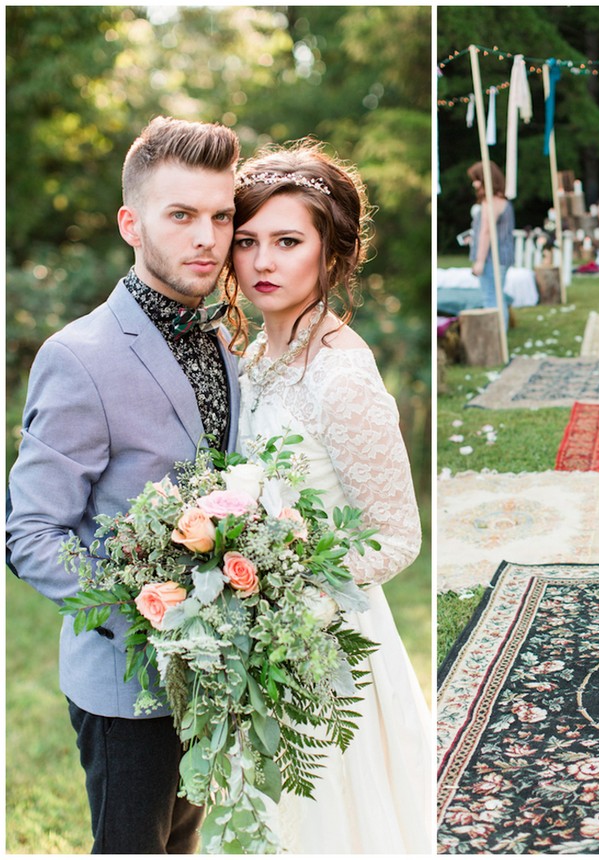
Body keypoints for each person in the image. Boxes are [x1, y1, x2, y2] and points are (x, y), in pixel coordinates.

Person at [8, 116, 242, 853]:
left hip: (214, 672)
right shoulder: (78, 356)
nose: (208, 236)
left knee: (182, 846)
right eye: (182, 215)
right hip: (125, 683)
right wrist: (145, 614)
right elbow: (29, 534)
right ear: (131, 224)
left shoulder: (227, 336)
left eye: (221, 215)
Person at [222, 142, 431, 851]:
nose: (263, 262)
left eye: (287, 241)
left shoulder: (340, 375)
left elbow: (398, 534)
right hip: (252, 636)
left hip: (326, 644)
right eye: (247, 242)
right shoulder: (255, 356)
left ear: (329, 252)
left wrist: (297, 580)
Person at [467, 160, 514, 308]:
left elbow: (486, 231)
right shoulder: (502, 200)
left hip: (492, 258)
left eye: (476, 180)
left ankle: (496, 331)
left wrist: (480, 261)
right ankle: (500, 330)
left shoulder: (491, 201)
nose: (474, 184)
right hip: (502, 256)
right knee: (497, 297)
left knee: (491, 298)